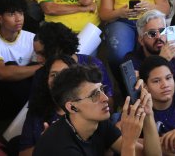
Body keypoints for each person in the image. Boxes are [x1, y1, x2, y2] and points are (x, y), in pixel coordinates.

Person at [33, 64, 161, 156]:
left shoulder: (97, 122)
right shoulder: (62, 149)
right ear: (72, 107)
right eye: (94, 95)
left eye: (102, 89)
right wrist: (129, 142)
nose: (105, 98)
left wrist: (148, 114)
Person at [0, 0, 41, 121]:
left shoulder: (31, 37)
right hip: (4, 95)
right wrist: (42, 66)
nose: (18, 18)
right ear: (0, 19)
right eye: (12, 14)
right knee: (10, 66)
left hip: (28, 91)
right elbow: (1, 73)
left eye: (21, 13)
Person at [124, 10, 175, 96]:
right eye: (152, 33)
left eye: (162, 31)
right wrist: (161, 60)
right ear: (141, 40)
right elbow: (136, 96)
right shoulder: (131, 60)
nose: (158, 37)